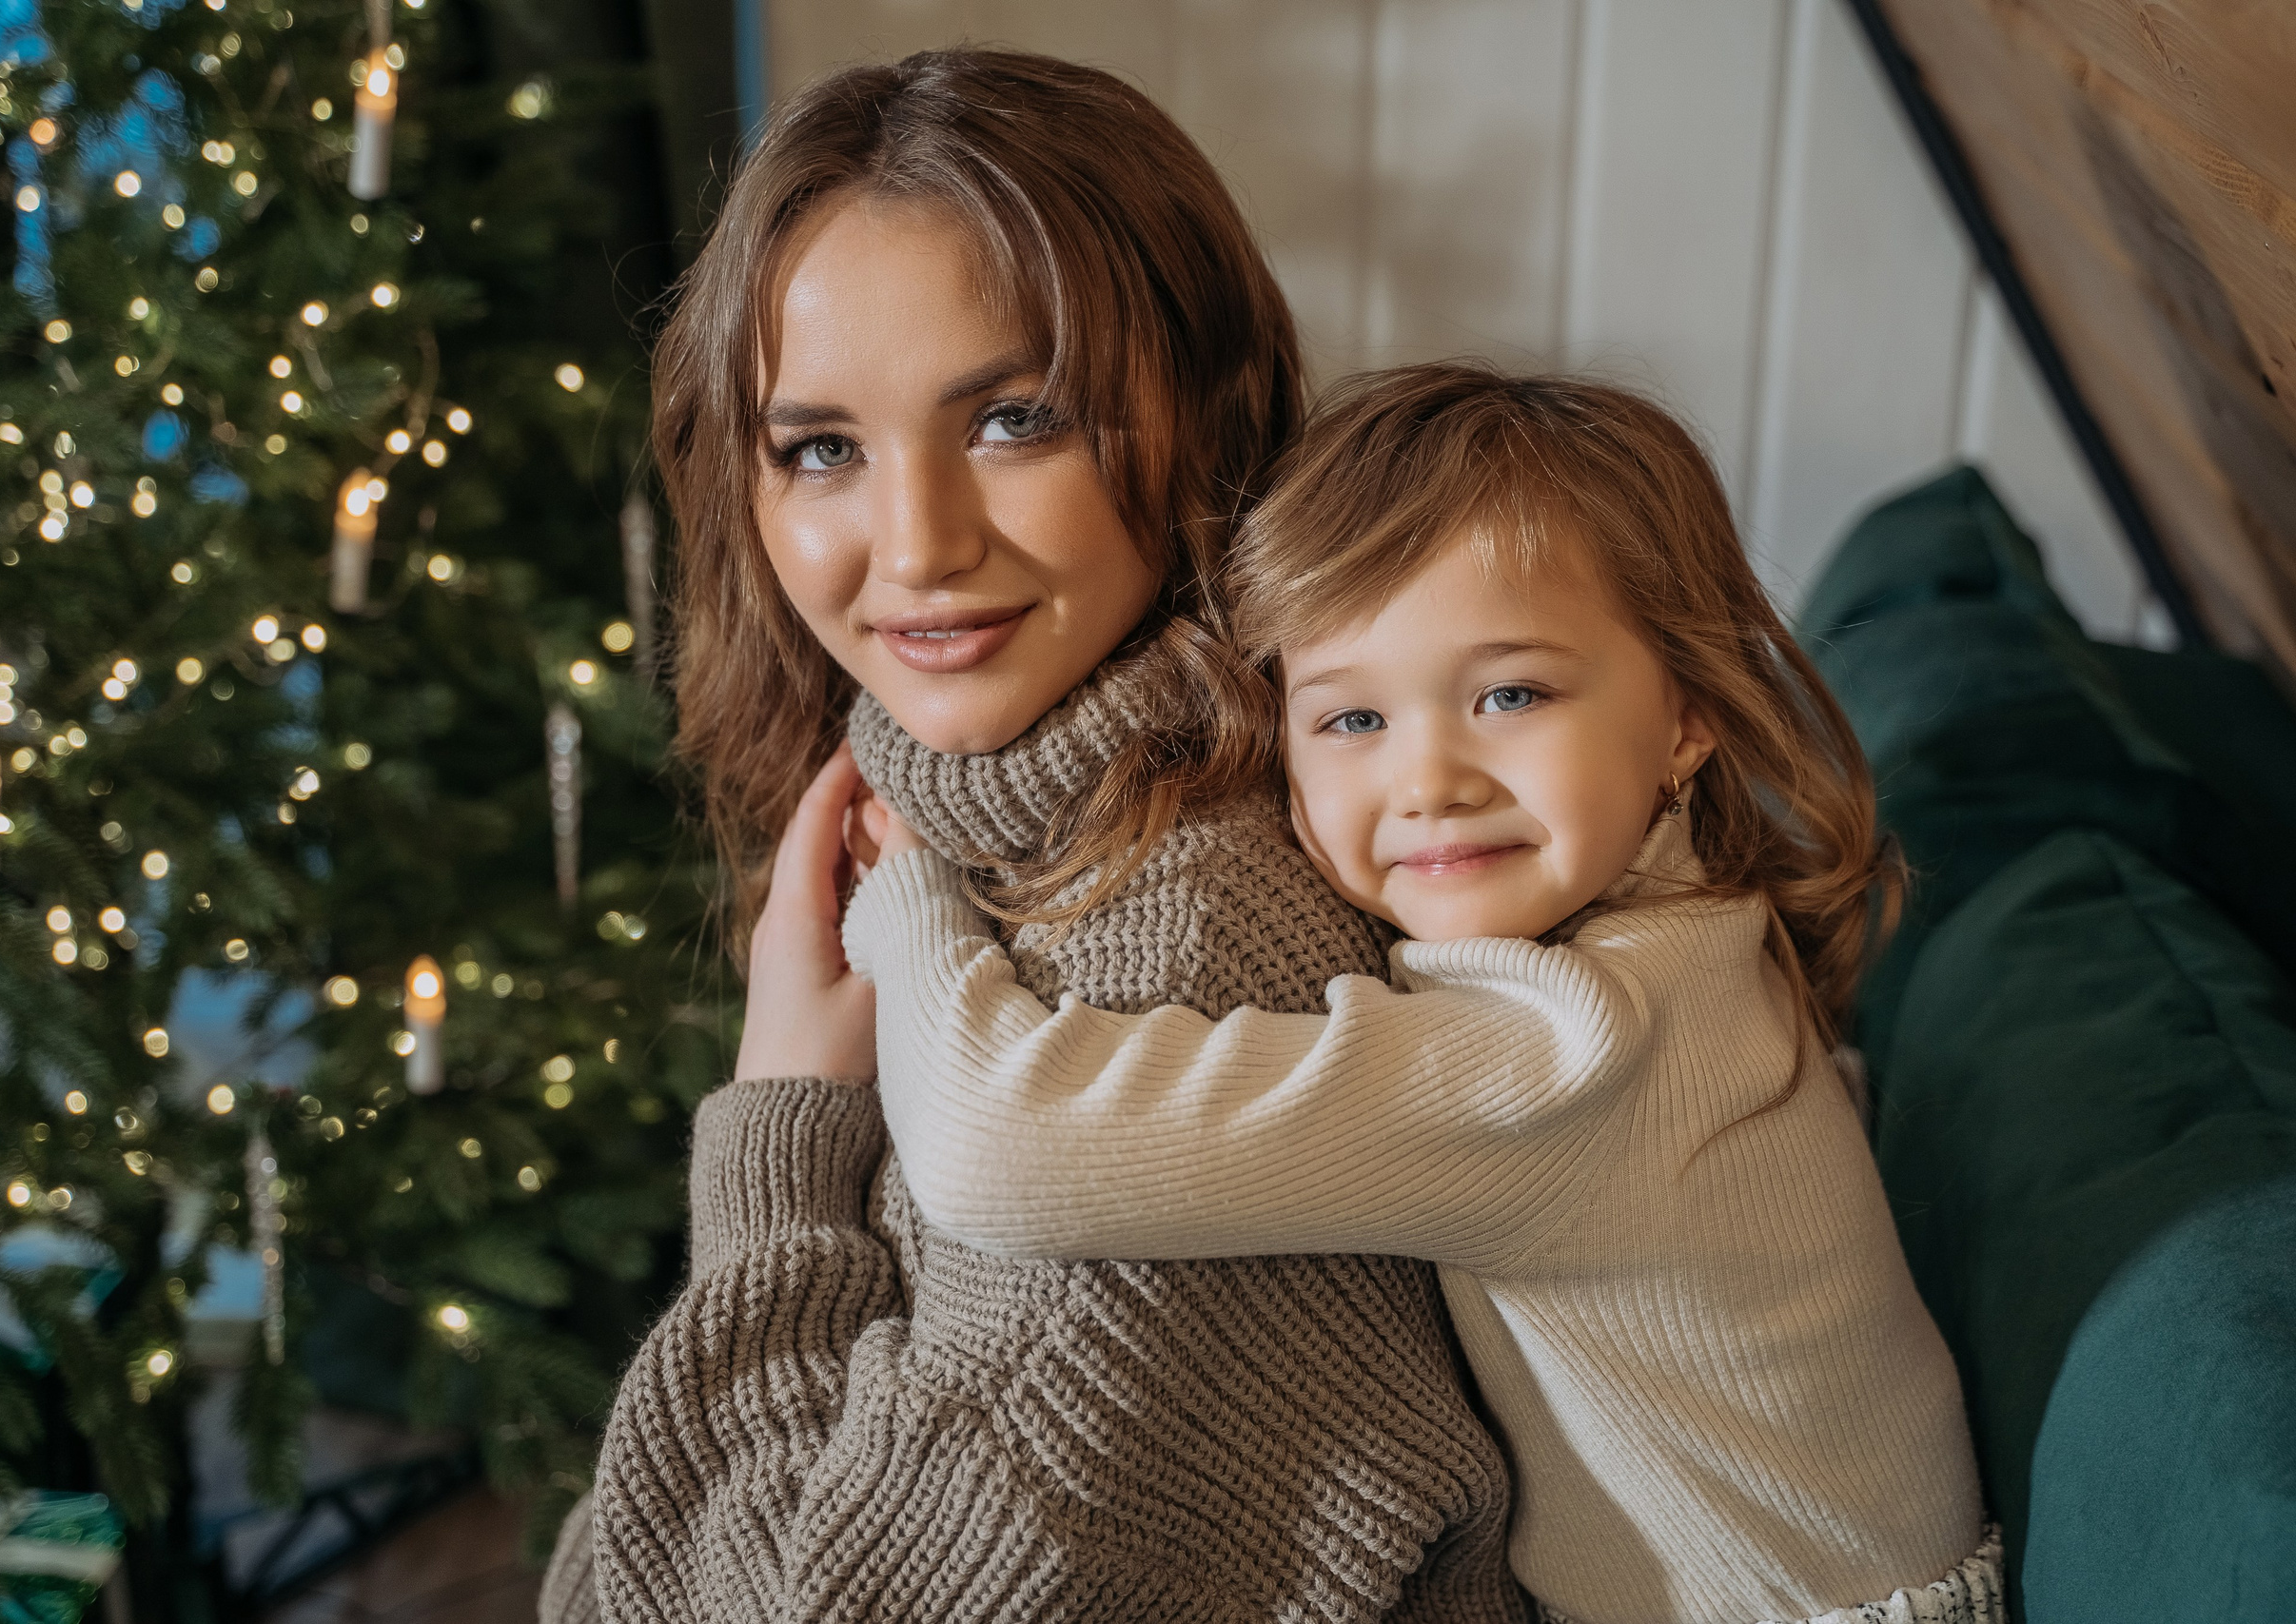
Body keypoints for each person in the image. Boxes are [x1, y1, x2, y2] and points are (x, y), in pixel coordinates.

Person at [539, 52, 1527, 1624]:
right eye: (820, 448)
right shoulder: (939, 844)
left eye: (1015, 418)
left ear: (1201, 411)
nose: (919, 546)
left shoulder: (1185, 967)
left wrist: (782, 1128)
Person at [838, 365, 2002, 1624]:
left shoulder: (1573, 1051)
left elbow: (994, 1152)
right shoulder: (1692, 931)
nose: (1429, 777)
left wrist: (913, 906)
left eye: (1511, 694)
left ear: (1687, 716)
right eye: (1349, 721)